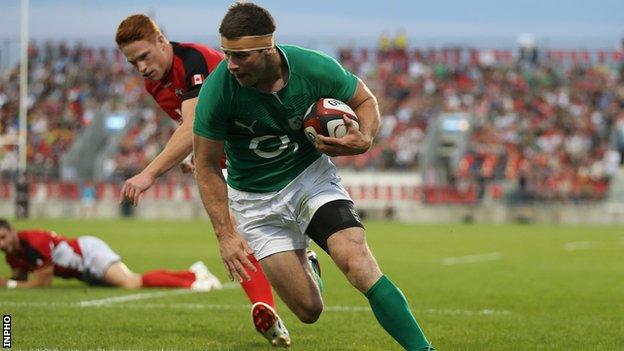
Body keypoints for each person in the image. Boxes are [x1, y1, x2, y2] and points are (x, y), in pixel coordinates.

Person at [193, 3, 435, 350]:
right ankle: (309, 263)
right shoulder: (219, 90)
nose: (231, 65)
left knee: (358, 265)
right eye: (227, 54)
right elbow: (205, 166)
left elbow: (364, 100)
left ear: (268, 48)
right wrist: (225, 234)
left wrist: (364, 137)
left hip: (310, 178)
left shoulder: (312, 67)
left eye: (241, 56)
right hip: (254, 202)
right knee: (308, 310)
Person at [114, 15, 291, 347]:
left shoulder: (192, 60)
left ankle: (300, 268)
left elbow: (194, 122)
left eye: (144, 56)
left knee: (260, 227)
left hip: (264, 145)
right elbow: (199, 125)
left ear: (161, 41)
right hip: (231, 159)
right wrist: (193, 154)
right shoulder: (154, 83)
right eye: (132, 62)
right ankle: (264, 306)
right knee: (231, 230)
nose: (140, 67)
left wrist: (149, 173)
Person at [0, 218, 220, 290]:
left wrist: (7, 285)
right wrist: (11, 283)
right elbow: (19, 279)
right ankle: (194, 274)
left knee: (131, 282)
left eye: (2, 237)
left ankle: (192, 281)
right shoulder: (12, 254)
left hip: (89, 253)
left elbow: (41, 283)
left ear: (12, 231)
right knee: (131, 280)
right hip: (83, 271)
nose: (1, 244)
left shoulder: (33, 241)